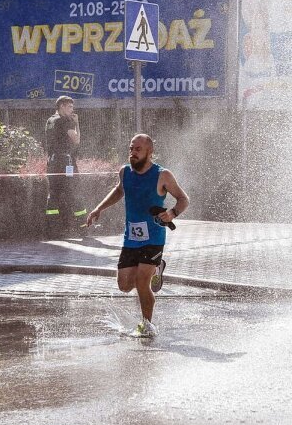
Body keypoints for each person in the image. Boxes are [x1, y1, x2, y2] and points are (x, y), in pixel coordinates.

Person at [86, 134, 189, 337]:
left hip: (154, 237)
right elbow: (119, 190)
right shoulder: (125, 172)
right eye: (131, 148)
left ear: (150, 152)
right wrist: (99, 208)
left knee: (142, 283)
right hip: (131, 237)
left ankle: (147, 325)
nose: (133, 153)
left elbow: (183, 199)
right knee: (124, 285)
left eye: (138, 149)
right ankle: (157, 269)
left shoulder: (162, 175)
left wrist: (172, 213)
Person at [44, 95, 86, 237]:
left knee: (53, 194)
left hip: (52, 163)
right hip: (66, 163)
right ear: (61, 106)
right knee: (75, 192)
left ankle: (52, 229)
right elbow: (76, 140)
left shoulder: (50, 120)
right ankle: (83, 227)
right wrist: (76, 123)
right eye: (69, 107)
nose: (72, 110)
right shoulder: (65, 121)